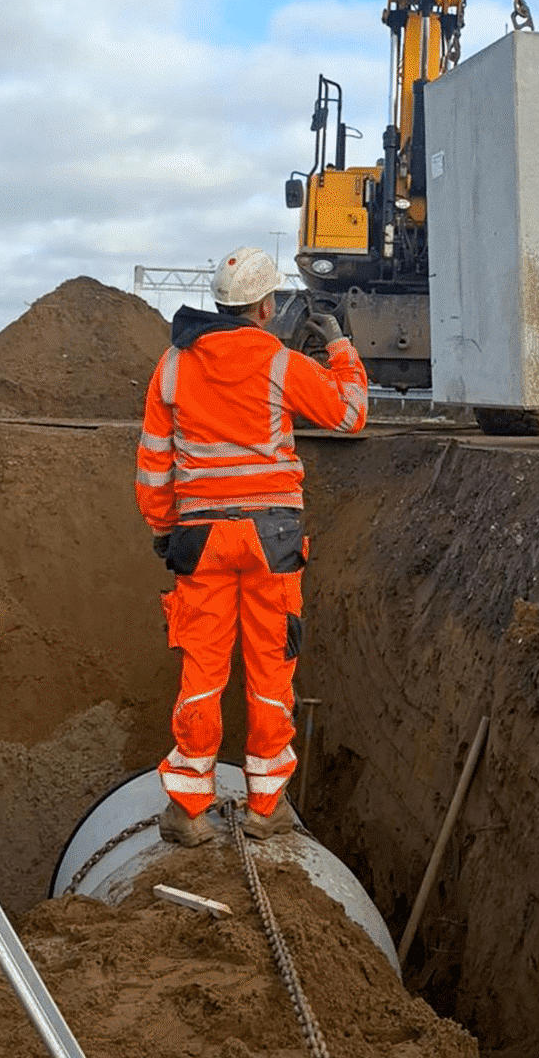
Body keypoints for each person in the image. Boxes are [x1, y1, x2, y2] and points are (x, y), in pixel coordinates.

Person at [135, 247, 367, 847]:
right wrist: (338, 346)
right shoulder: (280, 362)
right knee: (271, 668)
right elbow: (348, 415)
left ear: (220, 305)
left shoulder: (172, 365)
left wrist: (164, 528)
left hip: (200, 539)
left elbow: (154, 464)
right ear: (266, 307)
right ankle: (268, 807)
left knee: (202, 670)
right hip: (272, 538)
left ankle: (188, 810)